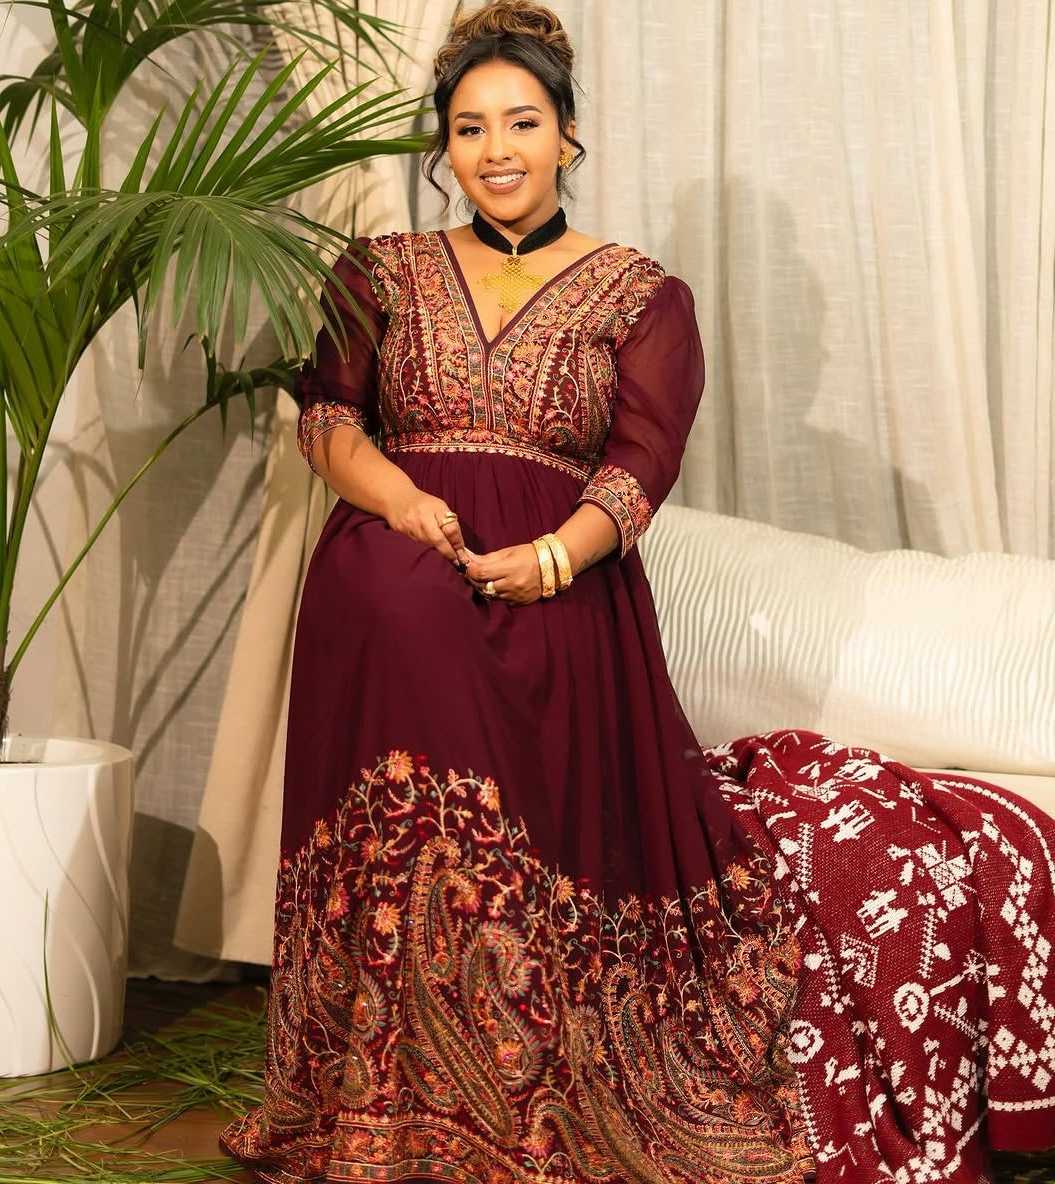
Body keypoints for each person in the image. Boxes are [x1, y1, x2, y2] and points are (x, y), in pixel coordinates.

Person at [221, 4, 1055, 1182]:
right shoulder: (384, 272)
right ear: (441, 148)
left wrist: (552, 556)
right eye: (468, 128)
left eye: (522, 121)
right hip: (392, 553)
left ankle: (507, 1083)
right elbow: (326, 412)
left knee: (453, 643)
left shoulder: (641, 295)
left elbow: (639, 466)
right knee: (393, 601)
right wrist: (401, 503)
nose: (496, 149)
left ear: (568, 136)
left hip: (566, 585)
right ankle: (375, 1094)